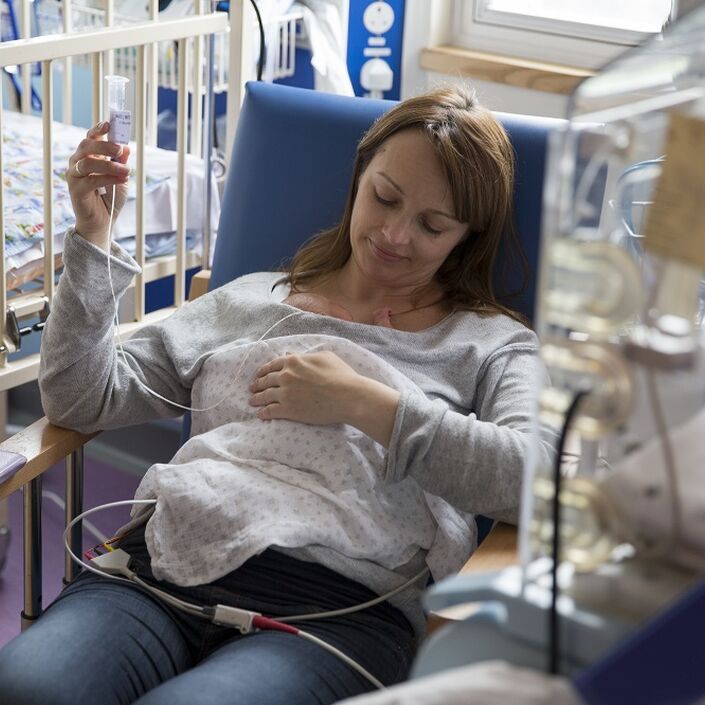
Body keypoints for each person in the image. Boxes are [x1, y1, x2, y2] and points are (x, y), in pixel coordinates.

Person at [0, 84, 547, 705]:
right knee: (25, 688)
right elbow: (81, 399)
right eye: (384, 197)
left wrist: (368, 404)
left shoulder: (490, 344)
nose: (395, 234)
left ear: (468, 236)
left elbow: (541, 477)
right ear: (359, 177)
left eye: (432, 224)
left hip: (335, 612)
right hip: (162, 567)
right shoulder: (253, 299)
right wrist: (93, 236)